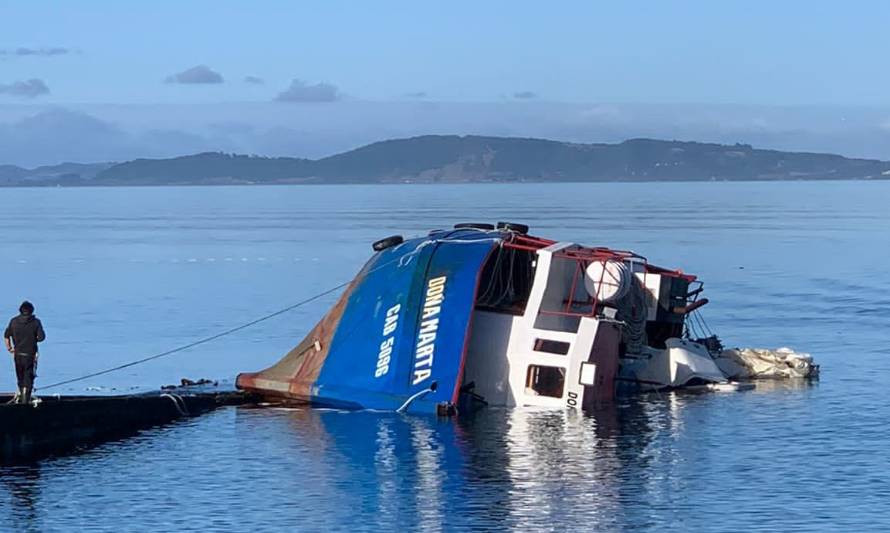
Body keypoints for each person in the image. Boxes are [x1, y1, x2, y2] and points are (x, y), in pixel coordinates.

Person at [4, 301, 46, 405]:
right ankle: (25, 402)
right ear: (31, 311)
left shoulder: (13, 321)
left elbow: (6, 335)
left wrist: (9, 348)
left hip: (17, 355)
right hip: (30, 355)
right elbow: (41, 338)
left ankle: (22, 398)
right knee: (28, 379)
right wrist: (34, 338)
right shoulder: (36, 322)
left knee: (20, 377)